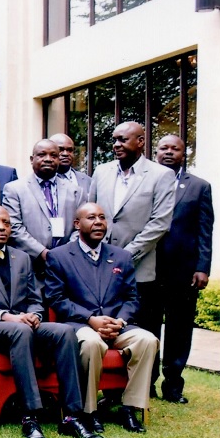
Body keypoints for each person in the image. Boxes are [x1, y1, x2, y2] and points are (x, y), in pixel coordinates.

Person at [0, 206, 100, 438]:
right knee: (20, 330)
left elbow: (35, 299)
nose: (1, 228)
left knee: (64, 332)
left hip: (23, 324)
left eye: (6, 223)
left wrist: (35, 314)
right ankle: (30, 416)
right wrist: (5, 316)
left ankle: (72, 415)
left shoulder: (22, 257)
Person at [44, 202, 158, 434]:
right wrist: (90, 319)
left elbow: (132, 298)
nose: (98, 222)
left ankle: (130, 407)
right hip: (80, 324)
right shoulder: (59, 256)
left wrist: (120, 321)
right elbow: (56, 298)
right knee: (91, 342)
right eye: (91, 218)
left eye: (102, 217)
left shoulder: (121, 256)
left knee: (148, 340)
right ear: (77, 224)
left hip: (117, 325)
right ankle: (90, 411)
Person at [88, 121, 176, 359]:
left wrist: (125, 256)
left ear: (141, 142)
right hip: (99, 268)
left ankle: (145, 379)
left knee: (142, 331)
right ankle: (108, 380)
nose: (116, 145)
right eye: (114, 140)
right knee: (105, 331)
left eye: (123, 140)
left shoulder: (161, 175)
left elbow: (160, 223)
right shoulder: (101, 171)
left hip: (139, 268)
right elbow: (90, 212)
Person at [153, 135, 213, 403]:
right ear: (155, 152)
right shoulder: (145, 182)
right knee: (147, 328)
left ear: (183, 154)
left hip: (183, 272)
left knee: (179, 329)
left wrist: (202, 267)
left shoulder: (199, 187)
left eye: (174, 148)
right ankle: (145, 383)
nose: (168, 152)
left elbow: (204, 231)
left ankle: (173, 386)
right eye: (163, 148)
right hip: (149, 269)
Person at [2, 139, 85, 276]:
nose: (48, 159)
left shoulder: (76, 191)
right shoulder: (14, 189)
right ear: (31, 159)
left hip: (67, 267)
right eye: (42, 155)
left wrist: (66, 253)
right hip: (31, 267)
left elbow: (81, 226)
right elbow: (14, 227)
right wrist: (43, 253)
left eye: (53, 155)